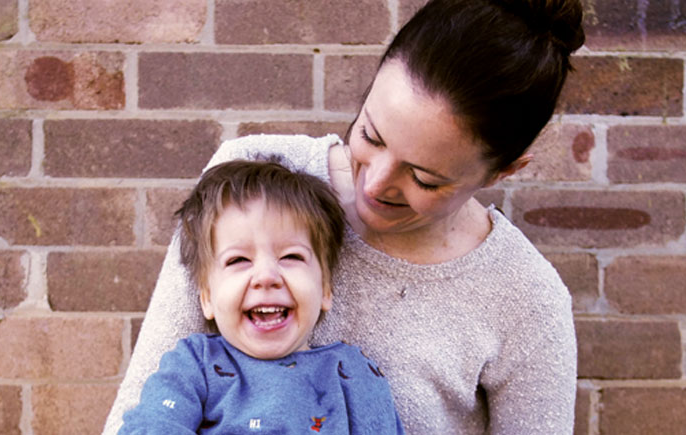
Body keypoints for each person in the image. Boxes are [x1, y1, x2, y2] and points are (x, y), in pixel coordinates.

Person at [106, 0, 585, 432]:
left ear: (502, 171)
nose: (372, 186)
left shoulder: (527, 300)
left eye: (425, 178)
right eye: (371, 135)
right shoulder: (255, 179)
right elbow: (144, 407)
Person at [119, 158, 405, 434]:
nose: (267, 276)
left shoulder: (352, 373)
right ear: (206, 298)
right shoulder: (195, 365)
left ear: (325, 290)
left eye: (291, 256)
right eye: (238, 260)